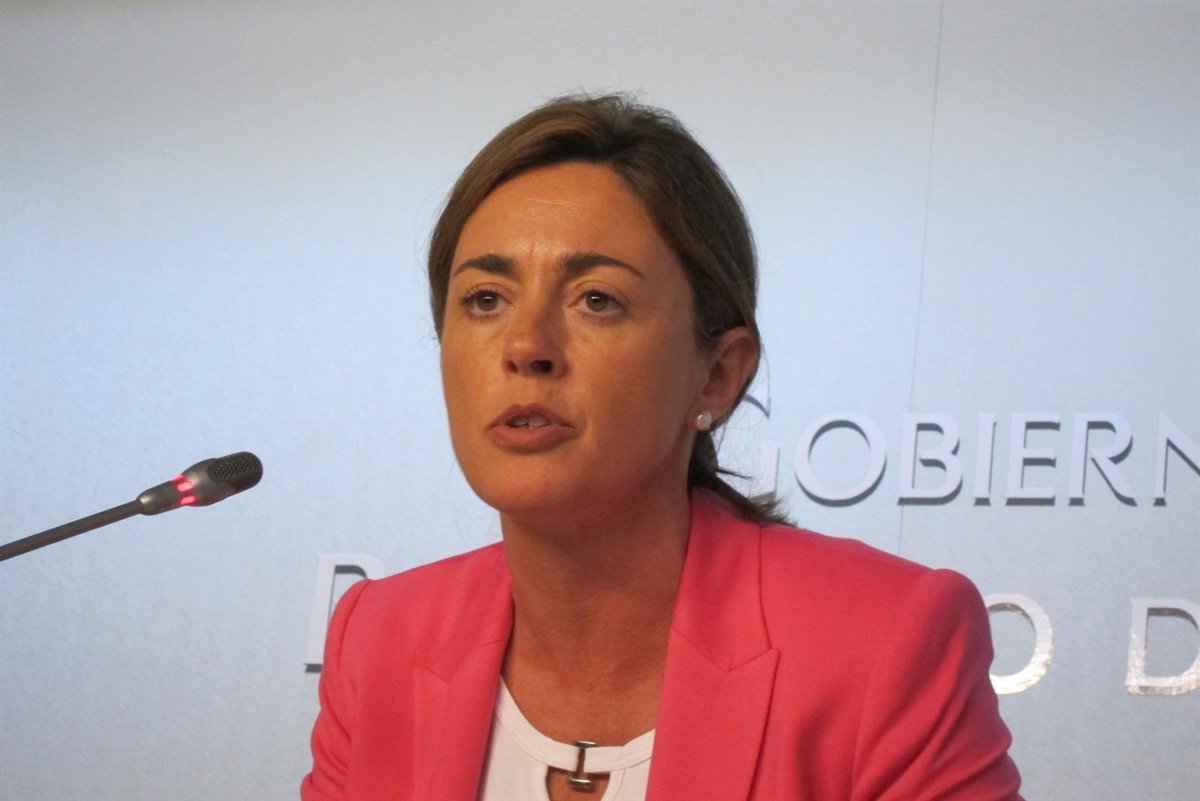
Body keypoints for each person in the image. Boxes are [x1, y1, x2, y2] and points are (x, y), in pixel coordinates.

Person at [301, 93, 1023, 801]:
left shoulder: (884, 641)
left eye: (597, 299)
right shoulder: (378, 640)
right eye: (485, 299)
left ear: (717, 374)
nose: (525, 346)